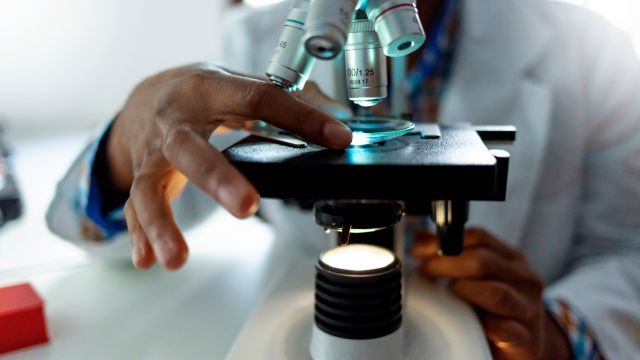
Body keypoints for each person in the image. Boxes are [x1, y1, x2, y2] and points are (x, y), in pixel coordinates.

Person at [47, 0, 640, 359]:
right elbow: (98, 231)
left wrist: (560, 336)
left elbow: (627, 251)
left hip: (492, 335)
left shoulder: (596, 55)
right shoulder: (259, 41)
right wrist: (131, 136)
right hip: (309, 325)